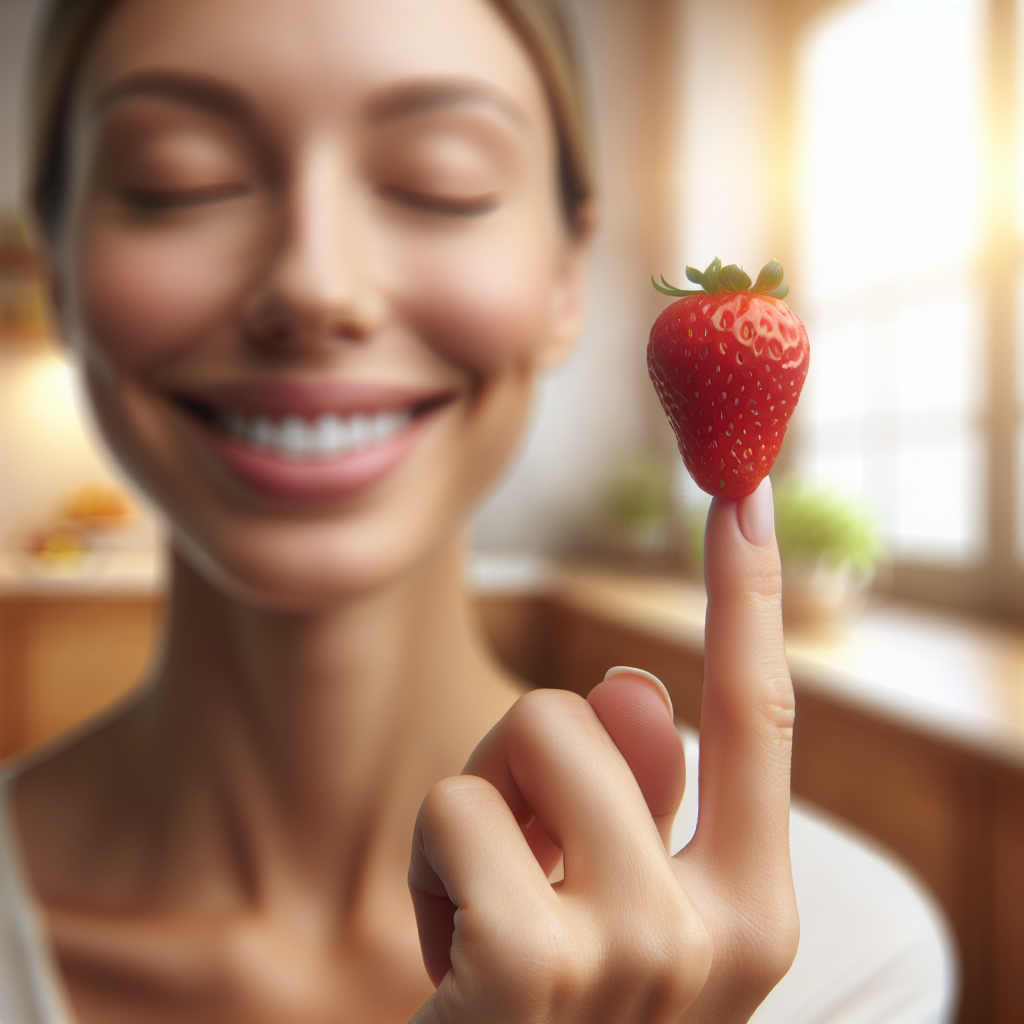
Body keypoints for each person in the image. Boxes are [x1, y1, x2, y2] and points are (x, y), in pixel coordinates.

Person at [0, 0, 955, 1021]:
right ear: (54, 268)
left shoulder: (845, 959)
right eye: (176, 181)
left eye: (439, 185)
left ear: (563, 278)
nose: (314, 284)